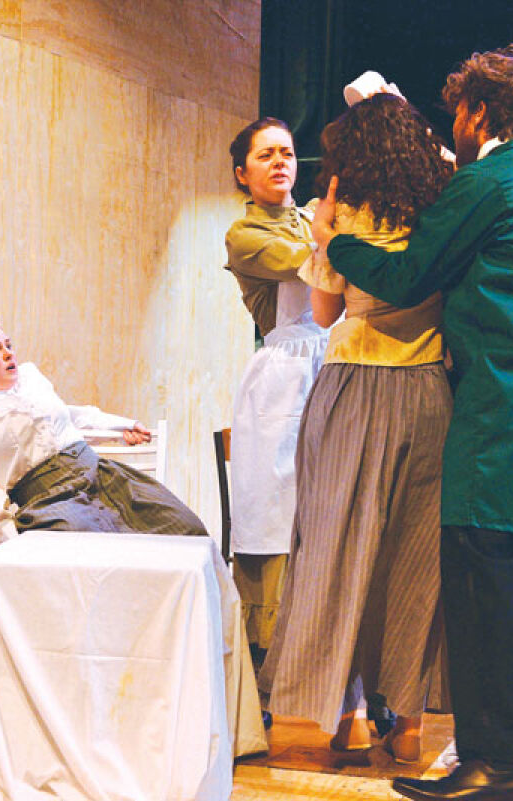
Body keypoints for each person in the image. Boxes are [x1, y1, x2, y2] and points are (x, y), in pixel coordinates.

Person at [314, 45, 513, 800]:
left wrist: (334, 240)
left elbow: (406, 274)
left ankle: (500, 764)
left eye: (458, 112)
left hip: (500, 409)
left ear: (480, 114)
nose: (453, 126)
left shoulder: (489, 181)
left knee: (480, 589)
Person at [259, 94, 454, 764]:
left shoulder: (337, 211)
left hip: (351, 386)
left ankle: (329, 712)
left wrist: (326, 227)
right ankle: (405, 719)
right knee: (412, 559)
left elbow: (321, 310)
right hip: (428, 390)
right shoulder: (441, 206)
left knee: (335, 550)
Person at [0, 316, 207, 546]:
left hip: (103, 476)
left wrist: (120, 427)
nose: (8, 353)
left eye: (8, 345)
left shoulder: (30, 379)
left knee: (186, 532)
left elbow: (65, 418)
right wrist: (9, 542)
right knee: (94, 554)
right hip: (50, 500)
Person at [223, 118, 329, 669]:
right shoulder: (246, 235)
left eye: (286, 152)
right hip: (281, 379)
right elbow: (312, 263)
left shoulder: (312, 216)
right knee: (274, 513)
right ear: (243, 174)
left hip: (329, 364)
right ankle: (267, 666)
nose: (280, 162)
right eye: (265, 156)